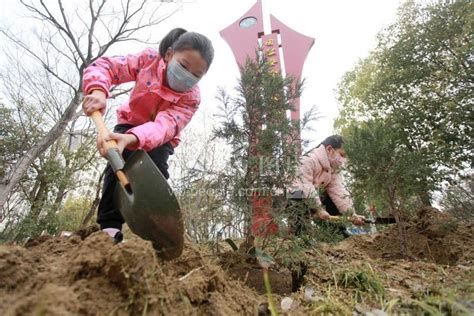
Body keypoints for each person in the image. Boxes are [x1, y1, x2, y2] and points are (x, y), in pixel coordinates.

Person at [82, 28, 214, 242]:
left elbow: (165, 126)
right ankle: (110, 229)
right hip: (129, 122)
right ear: (169, 54)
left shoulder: (191, 98)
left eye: (196, 75)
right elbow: (106, 66)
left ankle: (155, 235)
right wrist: (98, 91)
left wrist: (133, 139)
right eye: (183, 66)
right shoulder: (149, 60)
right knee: (115, 167)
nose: (187, 76)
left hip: (161, 139)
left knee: (155, 172)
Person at [288, 135, 365, 236]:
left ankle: (338, 232)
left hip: (313, 197)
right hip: (290, 196)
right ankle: (300, 235)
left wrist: (351, 214)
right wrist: (318, 209)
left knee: (331, 197)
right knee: (298, 194)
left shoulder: (333, 169)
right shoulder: (308, 160)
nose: (343, 160)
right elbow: (305, 186)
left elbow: (339, 191)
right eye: (342, 155)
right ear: (329, 149)